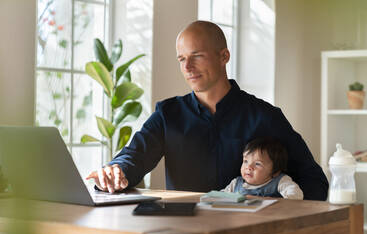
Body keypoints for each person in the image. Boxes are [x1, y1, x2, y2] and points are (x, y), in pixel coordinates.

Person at [86, 20, 329, 200]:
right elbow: (133, 157)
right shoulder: (167, 114)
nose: (188, 67)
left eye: (197, 56)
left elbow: (314, 180)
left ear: (224, 56)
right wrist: (116, 171)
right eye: (181, 59)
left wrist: (272, 213)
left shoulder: (266, 116)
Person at [222, 137, 303, 199]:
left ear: (275, 172)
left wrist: (276, 201)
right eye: (246, 161)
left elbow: (297, 195)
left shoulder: (280, 181)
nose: (248, 167)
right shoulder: (235, 184)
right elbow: (219, 197)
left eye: (257, 164)